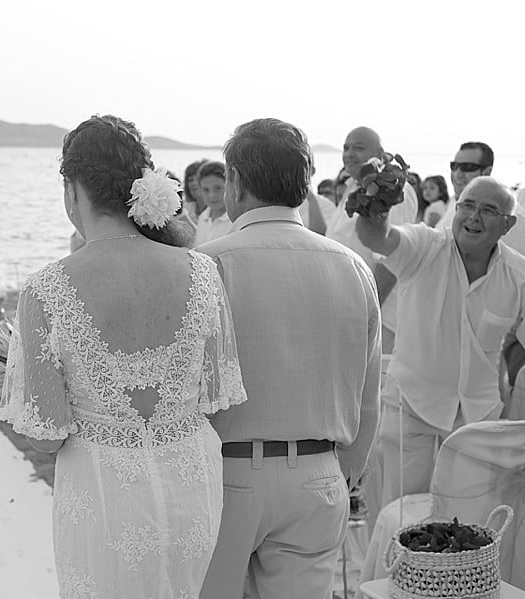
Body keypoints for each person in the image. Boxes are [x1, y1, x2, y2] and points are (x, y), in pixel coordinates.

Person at [0, 114, 246, 599]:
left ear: (72, 189)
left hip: (104, 498)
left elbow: (47, 436)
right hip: (191, 486)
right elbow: (218, 399)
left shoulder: (46, 290)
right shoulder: (201, 272)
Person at [197, 119, 381, 599]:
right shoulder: (354, 268)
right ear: (304, 183)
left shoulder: (207, 265)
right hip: (318, 474)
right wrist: (344, 472)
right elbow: (369, 393)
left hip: (224, 473)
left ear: (235, 181)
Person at [355, 176, 525, 503]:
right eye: (467, 206)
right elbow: (379, 237)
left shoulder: (518, 276)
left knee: (470, 517)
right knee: (400, 513)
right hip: (410, 406)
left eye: (488, 210)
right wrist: (373, 204)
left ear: (508, 224)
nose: (474, 217)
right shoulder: (425, 244)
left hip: (479, 417)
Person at [326, 126, 419, 354]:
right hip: (345, 311)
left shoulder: (394, 190)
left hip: (377, 315)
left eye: (358, 148)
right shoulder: (351, 188)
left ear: (380, 152)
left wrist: (368, 313)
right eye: (346, 148)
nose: (349, 154)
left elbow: (391, 258)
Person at [434, 141, 495, 229]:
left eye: (467, 167)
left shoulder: (492, 218)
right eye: (454, 166)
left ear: (486, 172)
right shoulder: (454, 203)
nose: (457, 174)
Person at [193, 161, 233, 245]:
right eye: (206, 190)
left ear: (229, 186)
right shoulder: (203, 217)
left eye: (218, 188)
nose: (212, 195)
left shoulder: (235, 221)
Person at [182, 158, 209, 224]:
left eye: (198, 178)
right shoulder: (187, 208)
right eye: (190, 180)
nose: (194, 183)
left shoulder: (217, 209)